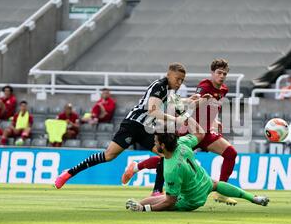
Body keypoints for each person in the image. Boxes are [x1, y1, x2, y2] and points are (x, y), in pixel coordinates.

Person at [54, 63, 190, 189]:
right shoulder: (159, 85)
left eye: (182, 80)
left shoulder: (170, 92)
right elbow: (153, 110)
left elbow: (177, 105)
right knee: (108, 156)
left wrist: (195, 100)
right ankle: (69, 173)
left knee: (166, 155)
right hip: (133, 124)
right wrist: (176, 119)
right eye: (177, 79)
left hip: (147, 129)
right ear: (169, 75)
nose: (179, 83)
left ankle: (154, 189)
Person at [122, 59, 239, 205]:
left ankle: (221, 192)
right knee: (169, 158)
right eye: (219, 73)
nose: (221, 76)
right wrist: (199, 102)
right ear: (212, 73)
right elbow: (195, 104)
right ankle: (136, 167)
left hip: (206, 132)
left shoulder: (223, 90)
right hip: (191, 130)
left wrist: (215, 123)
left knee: (231, 153)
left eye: (224, 74)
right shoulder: (204, 86)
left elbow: (211, 110)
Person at [125, 132, 269, 212]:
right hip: (205, 182)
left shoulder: (171, 170)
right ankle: (254, 198)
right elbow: (200, 133)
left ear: (163, 146)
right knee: (216, 184)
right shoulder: (182, 143)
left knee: (163, 199)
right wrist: (187, 113)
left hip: (192, 200)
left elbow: (169, 202)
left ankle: (140, 207)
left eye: (156, 142)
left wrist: (145, 209)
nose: (154, 144)